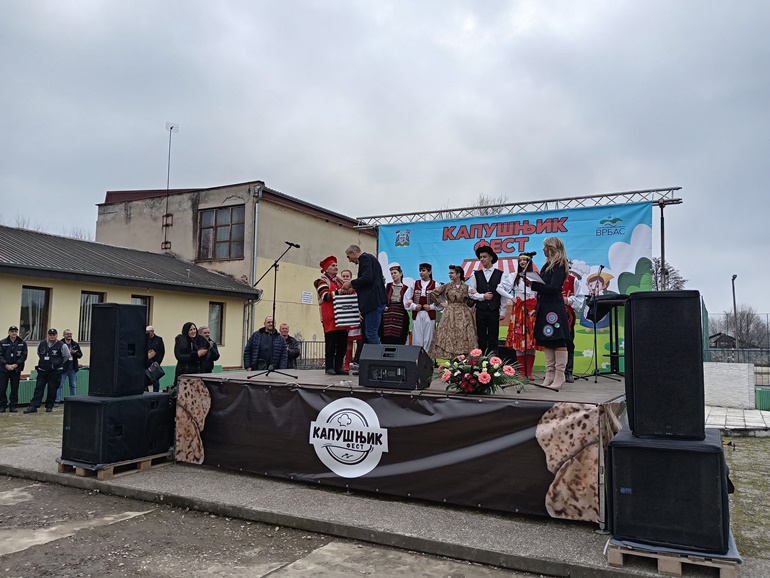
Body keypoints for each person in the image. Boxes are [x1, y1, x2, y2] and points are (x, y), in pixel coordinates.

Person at [529, 237, 572, 391]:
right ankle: (550, 374)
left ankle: (560, 375)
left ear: (552, 248)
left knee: (558, 341)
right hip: (545, 307)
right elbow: (543, 289)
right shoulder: (547, 265)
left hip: (554, 309)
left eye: (545, 247)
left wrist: (533, 284)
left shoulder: (559, 265)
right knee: (547, 340)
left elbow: (554, 288)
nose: (543, 250)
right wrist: (537, 307)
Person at [500, 253, 539, 381]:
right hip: (519, 310)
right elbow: (499, 288)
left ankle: (529, 372)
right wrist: (511, 297)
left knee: (530, 342)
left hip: (531, 310)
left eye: (525, 260)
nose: (522, 262)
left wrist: (536, 308)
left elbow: (540, 293)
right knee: (519, 340)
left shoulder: (534, 276)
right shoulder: (514, 276)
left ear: (529, 262)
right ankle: (522, 372)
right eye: (520, 260)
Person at [428, 265, 478, 360]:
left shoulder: (466, 287)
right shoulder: (447, 286)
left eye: (452, 273)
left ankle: (464, 358)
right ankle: (450, 359)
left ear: (458, 274)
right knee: (449, 334)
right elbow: (433, 293)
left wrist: (474, 295)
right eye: (449, 273)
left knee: (464, 334)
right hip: (450, 313)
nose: (449, 275)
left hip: (464, 313)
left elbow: (470, 303)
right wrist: (440, 303)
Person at [342, 245, 386, 348]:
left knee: (371, 333)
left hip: (373, 302)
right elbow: (369, 281)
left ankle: (376, 356)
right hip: (375, 301)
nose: (349, 260)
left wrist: (351, 283)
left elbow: (367, 278)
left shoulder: (365, 258)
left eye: (348, 257)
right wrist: (355, 287)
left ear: (354, 252)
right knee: (370, 333)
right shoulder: (369, 259)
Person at [314, 255, 348, 375]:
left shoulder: (339, 281)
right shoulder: (321, 281)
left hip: (342, 316)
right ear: (326, 268)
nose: (336, 267)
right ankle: (329, 366)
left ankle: (338, 367)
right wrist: (339, 292)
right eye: (333, 265)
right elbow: (325, 296)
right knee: (331, 343)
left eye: (336, 265)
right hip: (330, 317)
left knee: (342, 343)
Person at [469, 245, 506, 354]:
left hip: (494, 309)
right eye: (480, 257)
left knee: (493, 336)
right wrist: (482, 296)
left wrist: (503, 311)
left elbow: (503, 294)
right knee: (481, 336)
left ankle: (493, 360)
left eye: (484, 256)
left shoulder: (500, 274)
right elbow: (471, 292)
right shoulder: (476, 274)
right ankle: (481, 359)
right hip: (480, 309)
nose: (482, 259)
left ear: (491, 258)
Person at [24, 328, 70, 413]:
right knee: (38, 388)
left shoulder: (62, 345)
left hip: (55, 372)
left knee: (52, 389)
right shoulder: (41, 344)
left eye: (53, 335)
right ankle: (34, 406)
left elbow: (66, 356)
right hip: (42, 370)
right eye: (50, 335)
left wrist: (58, 363)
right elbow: (39, 353)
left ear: (56, 335)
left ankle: (49, 406)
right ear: (47, 335)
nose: (52, 336)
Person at [404, 263, 440, 354]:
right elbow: (406, 299)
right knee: (417, 338)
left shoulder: (435, 284)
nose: (421, 273)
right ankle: (417, 357)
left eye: (423, 270)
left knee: (428, 338)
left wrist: (431, 306)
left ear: (429, 272)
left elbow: (441, 301)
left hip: (429, 315)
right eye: (420, 271)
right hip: (417, 314)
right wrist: (414, 306)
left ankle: (427, 358)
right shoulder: (414, 283)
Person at [562, 267, 585, 383]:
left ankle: (568, 371)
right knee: (552, 343)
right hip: (550, 315)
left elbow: (580, 298)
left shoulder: (572, 280)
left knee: (568, 342)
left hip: (567, 316)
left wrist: (568, 300)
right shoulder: (549, 279)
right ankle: (554, 372)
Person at [380, 263, 410, 345]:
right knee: (386, 335)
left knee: (399, 336)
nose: (393, 275)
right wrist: (384, 306)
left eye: (395, 273)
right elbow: (382, 299)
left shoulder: (406, 288)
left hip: (400, 313)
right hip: (388, 313)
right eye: (392, 274)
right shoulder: (387, 286)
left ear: (401, 274)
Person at [0, 325, 28, 413]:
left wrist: (16, 365)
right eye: (12, 331)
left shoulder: (22, 343)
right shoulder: (2, 342)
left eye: (15, 331)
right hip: (4, 369)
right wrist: (6, 364)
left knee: (14, 388)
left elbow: (24, 356)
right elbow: (0, 355)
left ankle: (13, 406)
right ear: (9, 332)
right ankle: (2, 405)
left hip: (16, 369)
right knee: (2, 388)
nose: (14, 333)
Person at [339, 269, 362, 372]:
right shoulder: (339, 289)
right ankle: (340, 363)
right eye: (343, 276)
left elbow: (358, 303)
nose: (345, 278)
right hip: (342, 319)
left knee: (350, 341)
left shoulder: (355, 290)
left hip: (353, 318)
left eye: (347, 276)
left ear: (351, 278)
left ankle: (347, 363)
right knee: (341, 342)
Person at [55, 329, 82, 404]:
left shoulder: (75, 344)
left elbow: (80, 355)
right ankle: (57, 400)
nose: (69, 335)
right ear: (63, 335)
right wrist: (67, 353)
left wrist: (74, 353)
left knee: (73, 385)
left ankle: (73, 400)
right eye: (67, 334)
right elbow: (56, 355)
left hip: (72, 368)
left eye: (70, 334)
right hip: (63, 367)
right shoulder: (60, 344)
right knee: (59, 385)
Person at [146, 325, 166, 392]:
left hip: (155, 363)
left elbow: (162, 352)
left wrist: (158, 362)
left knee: (156, 381)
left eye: (148, 332)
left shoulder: (158, 339)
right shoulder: (145, 340)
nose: (147, 333)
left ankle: (156, 393)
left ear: (152, 331)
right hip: (146, 363)